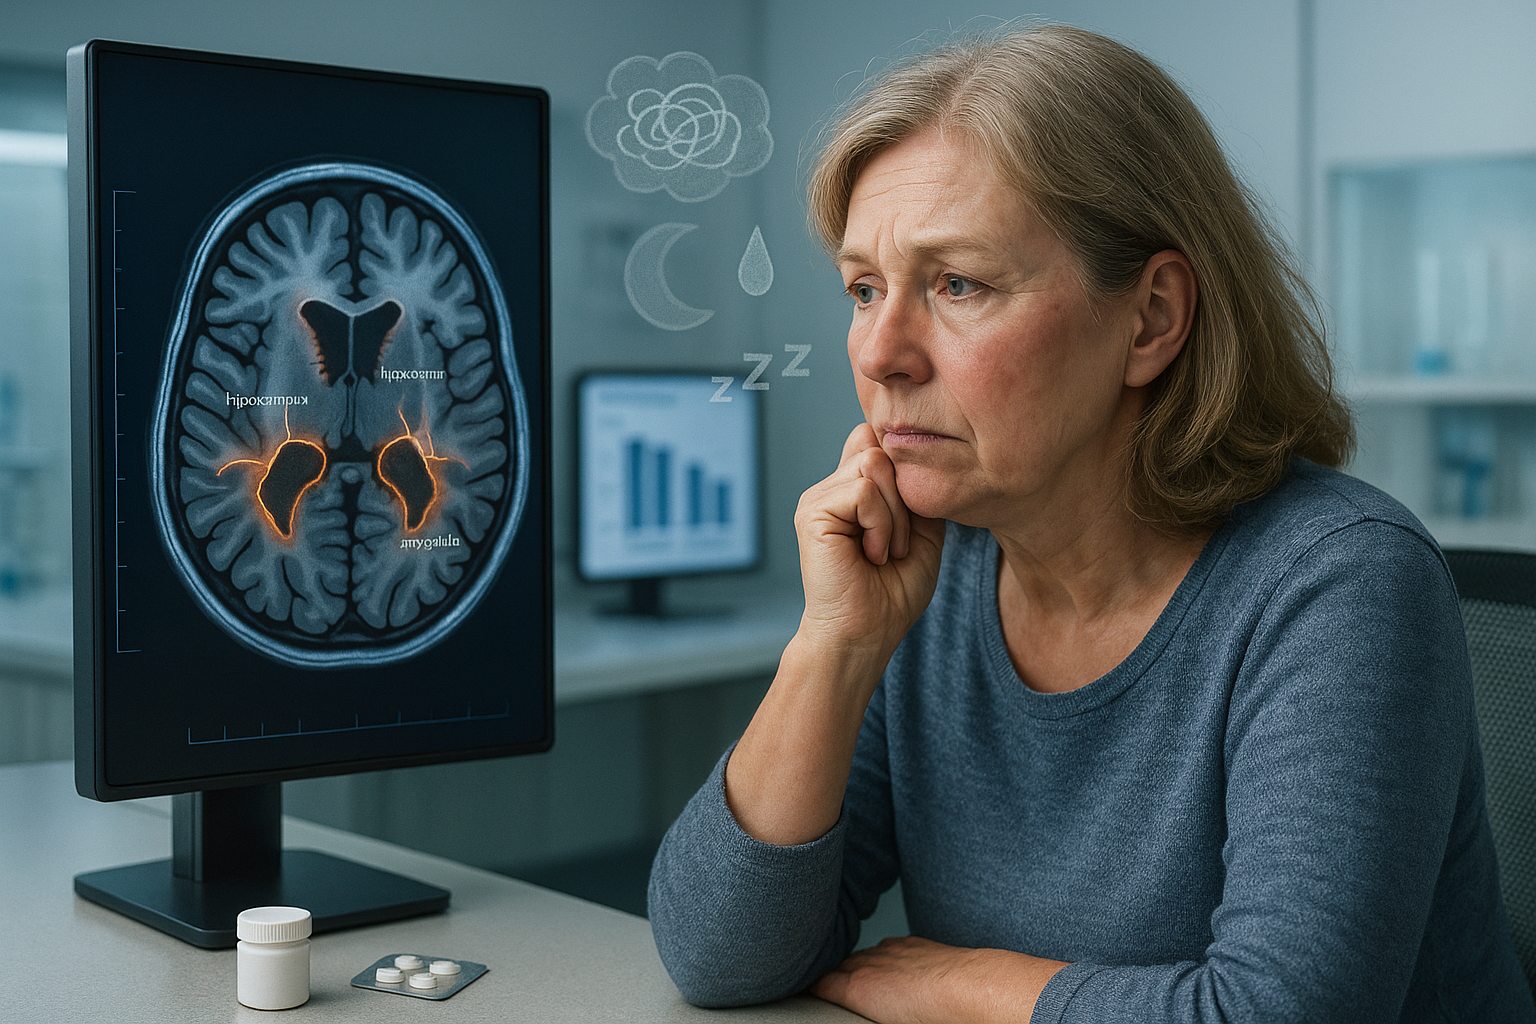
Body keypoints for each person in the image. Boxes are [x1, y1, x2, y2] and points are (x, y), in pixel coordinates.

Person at [647, 24, 1536, 1024]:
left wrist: (964, 983)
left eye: (957, 284)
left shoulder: (1340, 582)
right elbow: (717, 953)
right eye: (864, 288)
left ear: (1151, 318)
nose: (882, 351)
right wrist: (835, 646)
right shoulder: (933, 570)